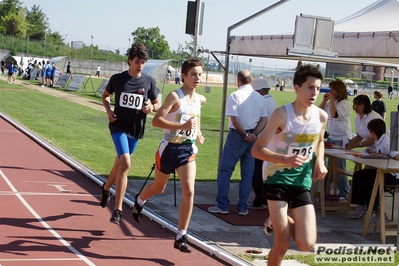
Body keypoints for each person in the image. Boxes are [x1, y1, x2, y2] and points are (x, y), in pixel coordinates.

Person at [251, 64, 328, 266]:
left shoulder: (320, 116)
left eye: (318, 88)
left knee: (306, 243)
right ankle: (279, 221)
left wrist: (320, 161)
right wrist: (285, 159)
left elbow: (319, 142)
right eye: (310, 87)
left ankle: (280, 218)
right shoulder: (282, 114)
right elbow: (256, 149)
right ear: (297, 87)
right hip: (276, 178)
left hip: (302, 180)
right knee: (282, 242)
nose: (314, 92)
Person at [132, 58, 206, 253]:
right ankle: (139, 200)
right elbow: (156, 121)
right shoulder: (175, 97)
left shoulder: (200, 99)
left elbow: (195, 118)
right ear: (184, 76)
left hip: (187, 150)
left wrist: (197, 133)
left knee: (189, 191)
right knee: (158, 187)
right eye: (193, 74)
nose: (197, 78)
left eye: (200, 74)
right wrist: (182, 126)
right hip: (169, 149)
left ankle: (181, 234)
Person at [100, 43, 160, 225]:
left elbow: (158, 103)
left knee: (119, 166)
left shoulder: (149, 81)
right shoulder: (118, 79)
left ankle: (106, 187)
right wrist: (109, 111)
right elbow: (105, 96)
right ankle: (118, 210)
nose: (140, 66)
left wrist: (152, 106)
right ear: (129, 61)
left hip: (135, 130)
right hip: (118, 126)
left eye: (143, 62)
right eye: (136, 62)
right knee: (126, 162)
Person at [208, 70, 267, 216]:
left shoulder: (235, 95)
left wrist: (245, 134)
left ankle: (222, 205)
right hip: (253, 135)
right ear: (251, 81)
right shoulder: (259, 98)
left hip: (237, 135)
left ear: (238, 80)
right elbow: (264, 120)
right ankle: (243, 207)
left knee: (225, 171)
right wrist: (253, 134)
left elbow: (234, 119)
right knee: (247, 174)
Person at [350, 119, 399, 223]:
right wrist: (373, 152)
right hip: (384, 171)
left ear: (372, 132)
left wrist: (382, 155)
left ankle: (379, 213)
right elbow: (382, 154)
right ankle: (362, 205)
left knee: (365, 186)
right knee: (358, 175)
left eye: (369, 131)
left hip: (393, 174)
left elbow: (397, 157)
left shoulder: (386, 142)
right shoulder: (379, 141)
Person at [318, 80, 352, 200]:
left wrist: (331, 101)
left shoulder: (344, 103)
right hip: (332, 136)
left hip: (342, 138)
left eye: (333, 90)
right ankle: (328, 190)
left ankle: (344, 192)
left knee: (339, 167)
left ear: (339, 91)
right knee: (329, 166)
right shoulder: (332, 102)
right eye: (330, 89)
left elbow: (334, 114)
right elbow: (319, 113)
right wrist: (324, 100)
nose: (330, 92)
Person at [250, 78, 278, 209]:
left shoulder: (262, 102)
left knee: (258, 173)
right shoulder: (274, 102)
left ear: (259, 91)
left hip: (262, 143)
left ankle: (260, 198)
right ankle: (266, 198)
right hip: (273, 145)